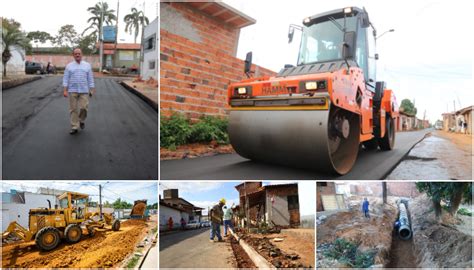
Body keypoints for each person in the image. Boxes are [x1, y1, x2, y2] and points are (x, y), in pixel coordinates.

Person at [63, 48, 95, 134]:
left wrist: (92, 89)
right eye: (75, 54)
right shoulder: (69, 66)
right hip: (72, 90)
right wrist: (65, 90)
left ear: (82, 54)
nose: (77, 55)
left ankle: (81, 120)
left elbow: (90, 78)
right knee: (73, 109)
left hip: (84, 90)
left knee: (84, 108)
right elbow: (65, 79)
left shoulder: (87, 65)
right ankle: (74, 127)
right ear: (73, 55)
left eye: (79, 53)